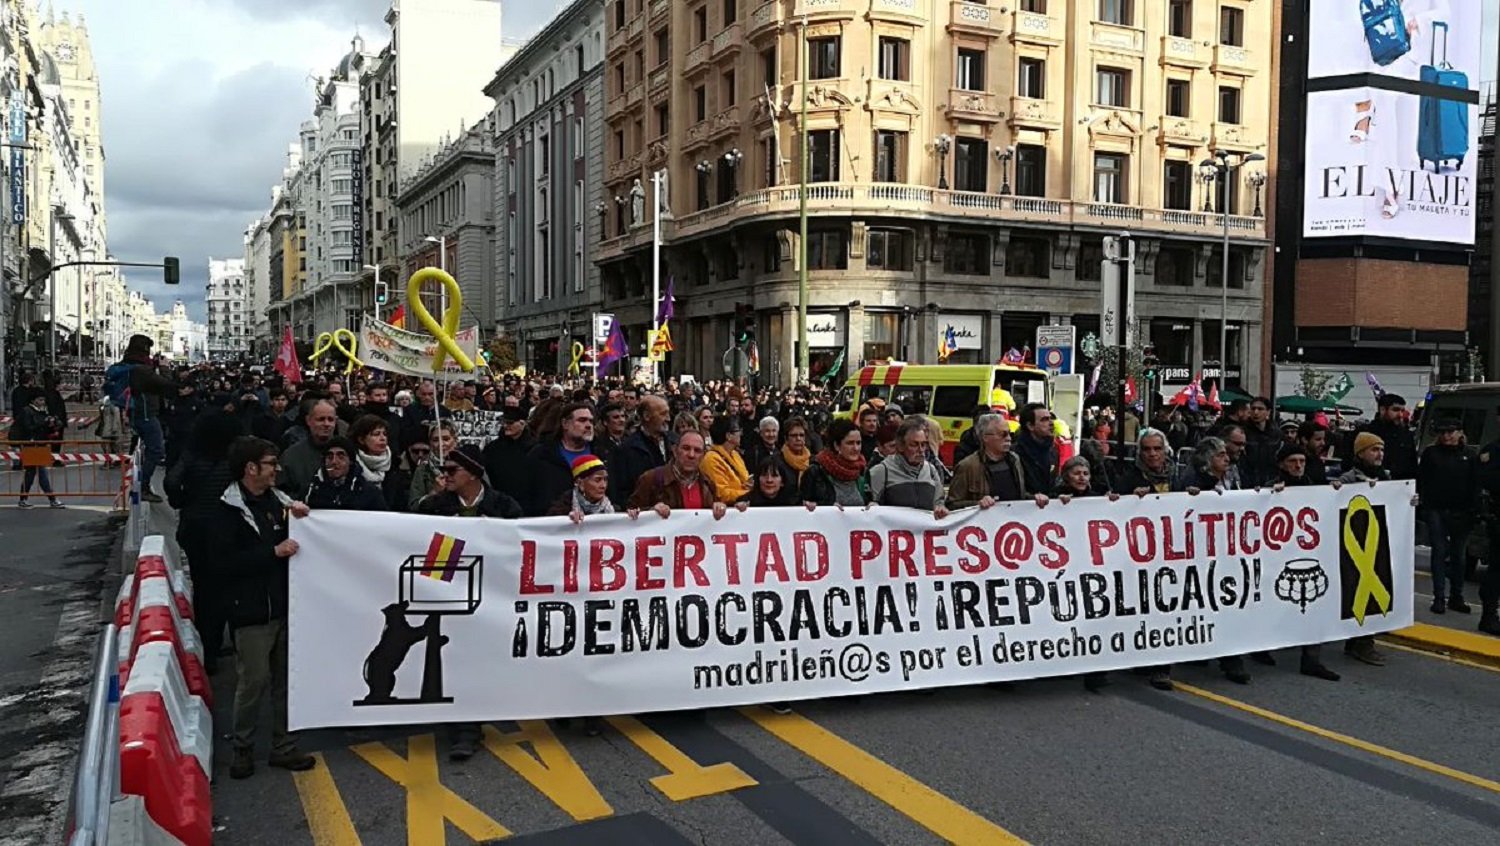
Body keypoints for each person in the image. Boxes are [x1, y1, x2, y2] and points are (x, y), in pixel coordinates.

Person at [210, 436, 315, 779]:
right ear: (250, 468)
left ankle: (284, 745)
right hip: (251, 612)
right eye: (270, 463)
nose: (276, 470)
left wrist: (304, 519)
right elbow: (222, 564)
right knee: (253, 681)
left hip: (286, 608)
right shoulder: (226, 510)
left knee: (287, 681)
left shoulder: (279, 503)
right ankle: (243, 748)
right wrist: (271, 554)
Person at [414, 444, 523, 760]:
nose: (444, 476)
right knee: (453, 662)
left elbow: (520, 547)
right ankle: (465, 729)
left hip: (493, 598)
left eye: (452, 471)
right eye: (443, 470)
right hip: (450, 597)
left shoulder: (504, 506)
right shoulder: (434, 507)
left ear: (473, 474)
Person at [165, 410, 246, 672]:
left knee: (204, 588)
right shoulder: (234, 459)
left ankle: (207, 650)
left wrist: (182, 501)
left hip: (195, 528)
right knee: (232, 586)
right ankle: (235, 643)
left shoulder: (191, 455)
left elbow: (171, 481)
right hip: (228, 529)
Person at [1269, 442, 1342, 681]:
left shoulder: (1313, 487)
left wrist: (1337, 493)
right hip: (1276, 558)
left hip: (1307, 556)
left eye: (1302, 461)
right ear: (1282, 464)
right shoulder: (1272, 488)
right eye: (1293, 461)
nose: (1298, 466)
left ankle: (1311, 660)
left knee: (1314, 605)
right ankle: (1260, 649)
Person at [1339, 432, 1392, 667]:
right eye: (1374, 450)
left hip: (1377, 544)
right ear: (1360, 453)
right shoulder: (1348, 480)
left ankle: (1361, 641)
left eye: (1381, 449)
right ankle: (1361, 642)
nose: (1379, 454)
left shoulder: (1388, 478)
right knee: (1358, 588)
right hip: (1355, 546)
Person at [1417, 419, 1477, 615]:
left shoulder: (1469, 455)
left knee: (1459, 556)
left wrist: (1473, 510)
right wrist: (1425, 507)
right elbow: (1422, 480)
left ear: (1460, 433)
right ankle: (1439, 597)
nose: (1447, 436)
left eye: (1451, 432)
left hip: (1462, 511)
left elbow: (1474, 484)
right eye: (1444, 432)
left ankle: (1456, 596)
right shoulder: (1431, 453)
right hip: (1437, 509)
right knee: (1439, 552)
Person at [112, 334, 177, 502]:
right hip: (146, 414)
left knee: (146, 450)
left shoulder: (129, 365)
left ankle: (139, 481)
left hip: (135, 412)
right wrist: (164, 368)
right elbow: (165, 385)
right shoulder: (142, 370)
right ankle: (143, 485)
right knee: (157, 450)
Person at [627, 430, 724, 518]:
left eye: (697, 450)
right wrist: (650, 512)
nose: (691, 455)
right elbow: (629, 515)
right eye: (686, 448)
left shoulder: (708, 484)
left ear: (703, 455)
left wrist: (721, 508)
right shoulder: (651, 479)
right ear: (675, 451)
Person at [948, 414, 1036, 510]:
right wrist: (978, 504)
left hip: (1012, 522)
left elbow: (1018, 496)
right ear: (985, 437)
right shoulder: (967, 466)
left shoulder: (1014, 460)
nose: (1009, 439)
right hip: (985, 523)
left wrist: (1035, 498)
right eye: (1003, 434)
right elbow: (952, 504)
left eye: (1010, 434)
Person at [524, 402, 595, 516]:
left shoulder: (603, 453)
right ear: (565, 424)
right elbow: (527, 494)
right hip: (551, 524)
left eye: (591, 421)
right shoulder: (541, 455)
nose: (588, 425)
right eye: (582, 420)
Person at [868, 417, 948, 517]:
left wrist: (940, 508)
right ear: (901, 446)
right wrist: (873, 506)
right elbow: (872, 507)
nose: (921, 450)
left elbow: (939, 502)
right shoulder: (882, 471)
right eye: (914, 444)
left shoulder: (931, 470)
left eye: (923, 444)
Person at [610, 395, 672, 507]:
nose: (668, 419)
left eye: (668, 413)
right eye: (663, 414)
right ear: (646, 416)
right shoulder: (625, 450)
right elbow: (621, 491)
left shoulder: (675, 443)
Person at [11, 391, 64, 508]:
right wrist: (44, 423)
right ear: (33, 400)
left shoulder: (41, 411)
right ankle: (51, 499)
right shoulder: (27, 411)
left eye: (43, 400)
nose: (42, 402)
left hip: (39, 445)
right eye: (40, 400)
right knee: (39, 472)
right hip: (31, 445)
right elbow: (28, 427)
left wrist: (52, 424)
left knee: (32, 473)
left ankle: (24, 499)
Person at [801, 418, 869, 508]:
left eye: (858, 443)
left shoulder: (862, 470)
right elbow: (801, 505)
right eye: (850, 443)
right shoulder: (816, 472)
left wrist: (872, 504)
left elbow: (868, 500)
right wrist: (824, 506)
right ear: (836, 446)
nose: (856, 448)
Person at [304, 436, 386, 511]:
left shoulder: (369, 493)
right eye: (329, 457)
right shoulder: (311, 490)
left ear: (350, 461)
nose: (334, 462)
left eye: (341, 457)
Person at [277, 399, 339, 496]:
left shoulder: (347, 452)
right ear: (308, 421)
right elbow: (280, 493)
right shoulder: (291, 457)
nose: (326, 424)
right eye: (321, 419)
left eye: (330, 419)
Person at [481, 405, 536, 506]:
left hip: (528, 503)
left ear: (522, 423)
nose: (505, 425)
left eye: (510, 423)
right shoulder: (493, 448)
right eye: (503, 422)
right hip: (499, 502)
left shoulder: (535, 449)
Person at [1356, 393, 1417, 480]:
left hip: (1400, 487)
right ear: (1382, 410)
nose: (1400, 415)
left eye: (1402, 411)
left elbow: (1412, 466)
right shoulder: (1366, 433)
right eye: (1395, 410)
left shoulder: (1406, 435)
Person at [407, 421, 458, 510]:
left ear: (455, 441)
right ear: (430, 443)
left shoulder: (467, 465)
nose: (441, 444)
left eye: (446, 439)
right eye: (435, 440)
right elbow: (413, 506)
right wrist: (434, 493)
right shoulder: (423, 469)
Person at [550, 454, 615, 523]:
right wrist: (567, 520)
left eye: (605, 479)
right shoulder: (561, 509)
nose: (603, 486)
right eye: (597, 480)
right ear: (580, 483)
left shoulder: (613, 508)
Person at [701, 416, 751, 504]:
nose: (741, 434)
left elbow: (744, 480)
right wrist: (750, 494)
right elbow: (722, 494)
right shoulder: (711, 459)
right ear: (728, 436)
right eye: (738, 430)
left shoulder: (735, 454)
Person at [1014, 403, 1060, 495]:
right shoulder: (1015, 454)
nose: (1051, 423)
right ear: (1030, 426)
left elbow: (1053, 484)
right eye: (1044, 420)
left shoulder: (1052, 451)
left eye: (1050, 418)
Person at [776, 416, 814, 492]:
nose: (798, 439)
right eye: (794, 435)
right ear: (786, 439)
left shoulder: (813, 461)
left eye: (801, 435)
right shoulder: (775, 463)